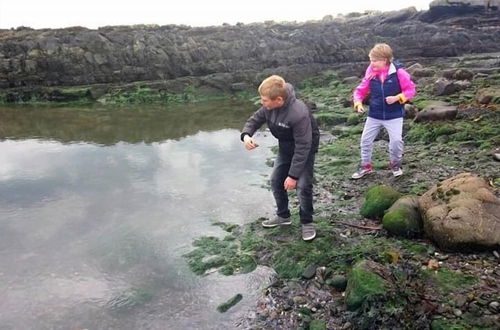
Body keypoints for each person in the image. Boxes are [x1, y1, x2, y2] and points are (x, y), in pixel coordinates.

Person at [241, 75, 320, 241]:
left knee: (303, 186)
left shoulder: (298, 113)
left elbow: (303, 147)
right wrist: (246, 135)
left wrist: (293, 176)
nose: (262, 103)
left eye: (264, 100)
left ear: (278, 99)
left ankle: (307, 222)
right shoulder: (268, 107)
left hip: (305, 149)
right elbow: (255, 120)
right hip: (285, 146)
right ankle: (283, 216)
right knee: (276, 180)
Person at [351, 43, 416, 179]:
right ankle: (365, 166)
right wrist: (358, 103)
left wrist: (398, 97)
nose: (371, 63)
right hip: (374, 114)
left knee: (396, 142)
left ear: (385, 60)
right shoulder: (371, 73)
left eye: (374, 60)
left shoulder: (399, 73)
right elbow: (360, 90)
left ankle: (395, 164)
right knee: (365, 140)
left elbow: (411, 90)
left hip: (394, 115)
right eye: (371, 60)